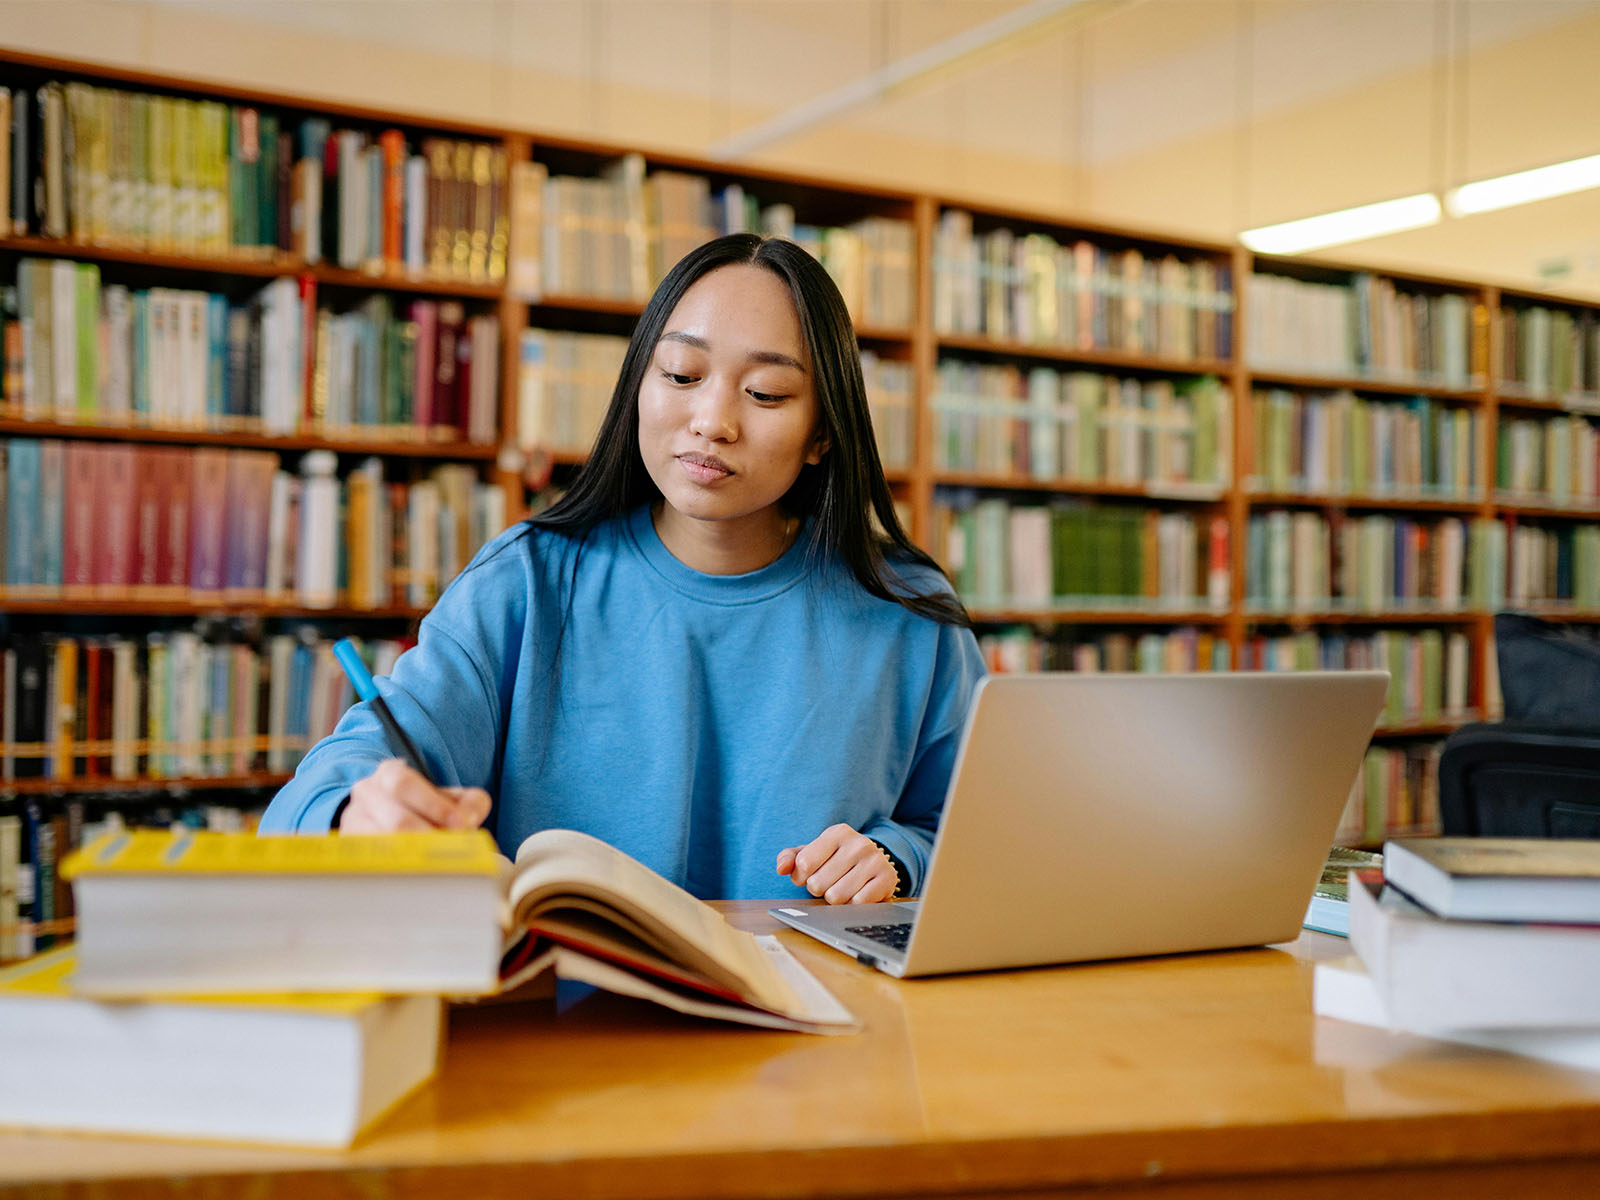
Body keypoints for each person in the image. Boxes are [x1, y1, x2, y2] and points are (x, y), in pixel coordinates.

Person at [259, 233, 986, 903]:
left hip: (824, 1027)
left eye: (764, 393)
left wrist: (896, 859)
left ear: (823, 432)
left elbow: (984, 835)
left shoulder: (906, 611)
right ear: (639, 382)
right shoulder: (528, 583)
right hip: (564, 1025)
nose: (712, 420)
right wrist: (357, 809)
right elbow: (333, 780)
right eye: (680, 374)